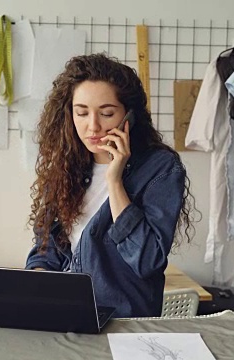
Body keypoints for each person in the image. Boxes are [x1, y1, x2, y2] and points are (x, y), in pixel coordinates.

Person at [25, 53, 194, 318]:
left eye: (106, 113)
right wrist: (36, 286)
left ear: (129, 115)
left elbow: (147, 260)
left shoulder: (159, 168)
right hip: (62, 318)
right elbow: (45, 251)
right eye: (81, 113)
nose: (93, 126)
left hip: (123, 323)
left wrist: (114, 181)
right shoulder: (65, 165)